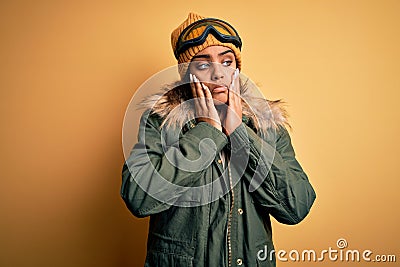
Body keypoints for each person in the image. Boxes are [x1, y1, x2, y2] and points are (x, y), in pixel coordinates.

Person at [121, 12, 316, 267]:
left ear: (237, 68)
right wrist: (208, 131)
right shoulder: (161, 122)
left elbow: (296, 206)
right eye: (203, 65)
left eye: (227, 62)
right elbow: (139, 197)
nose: (218, 74)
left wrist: (239, 133)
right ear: (186, 74)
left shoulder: (266, 125)